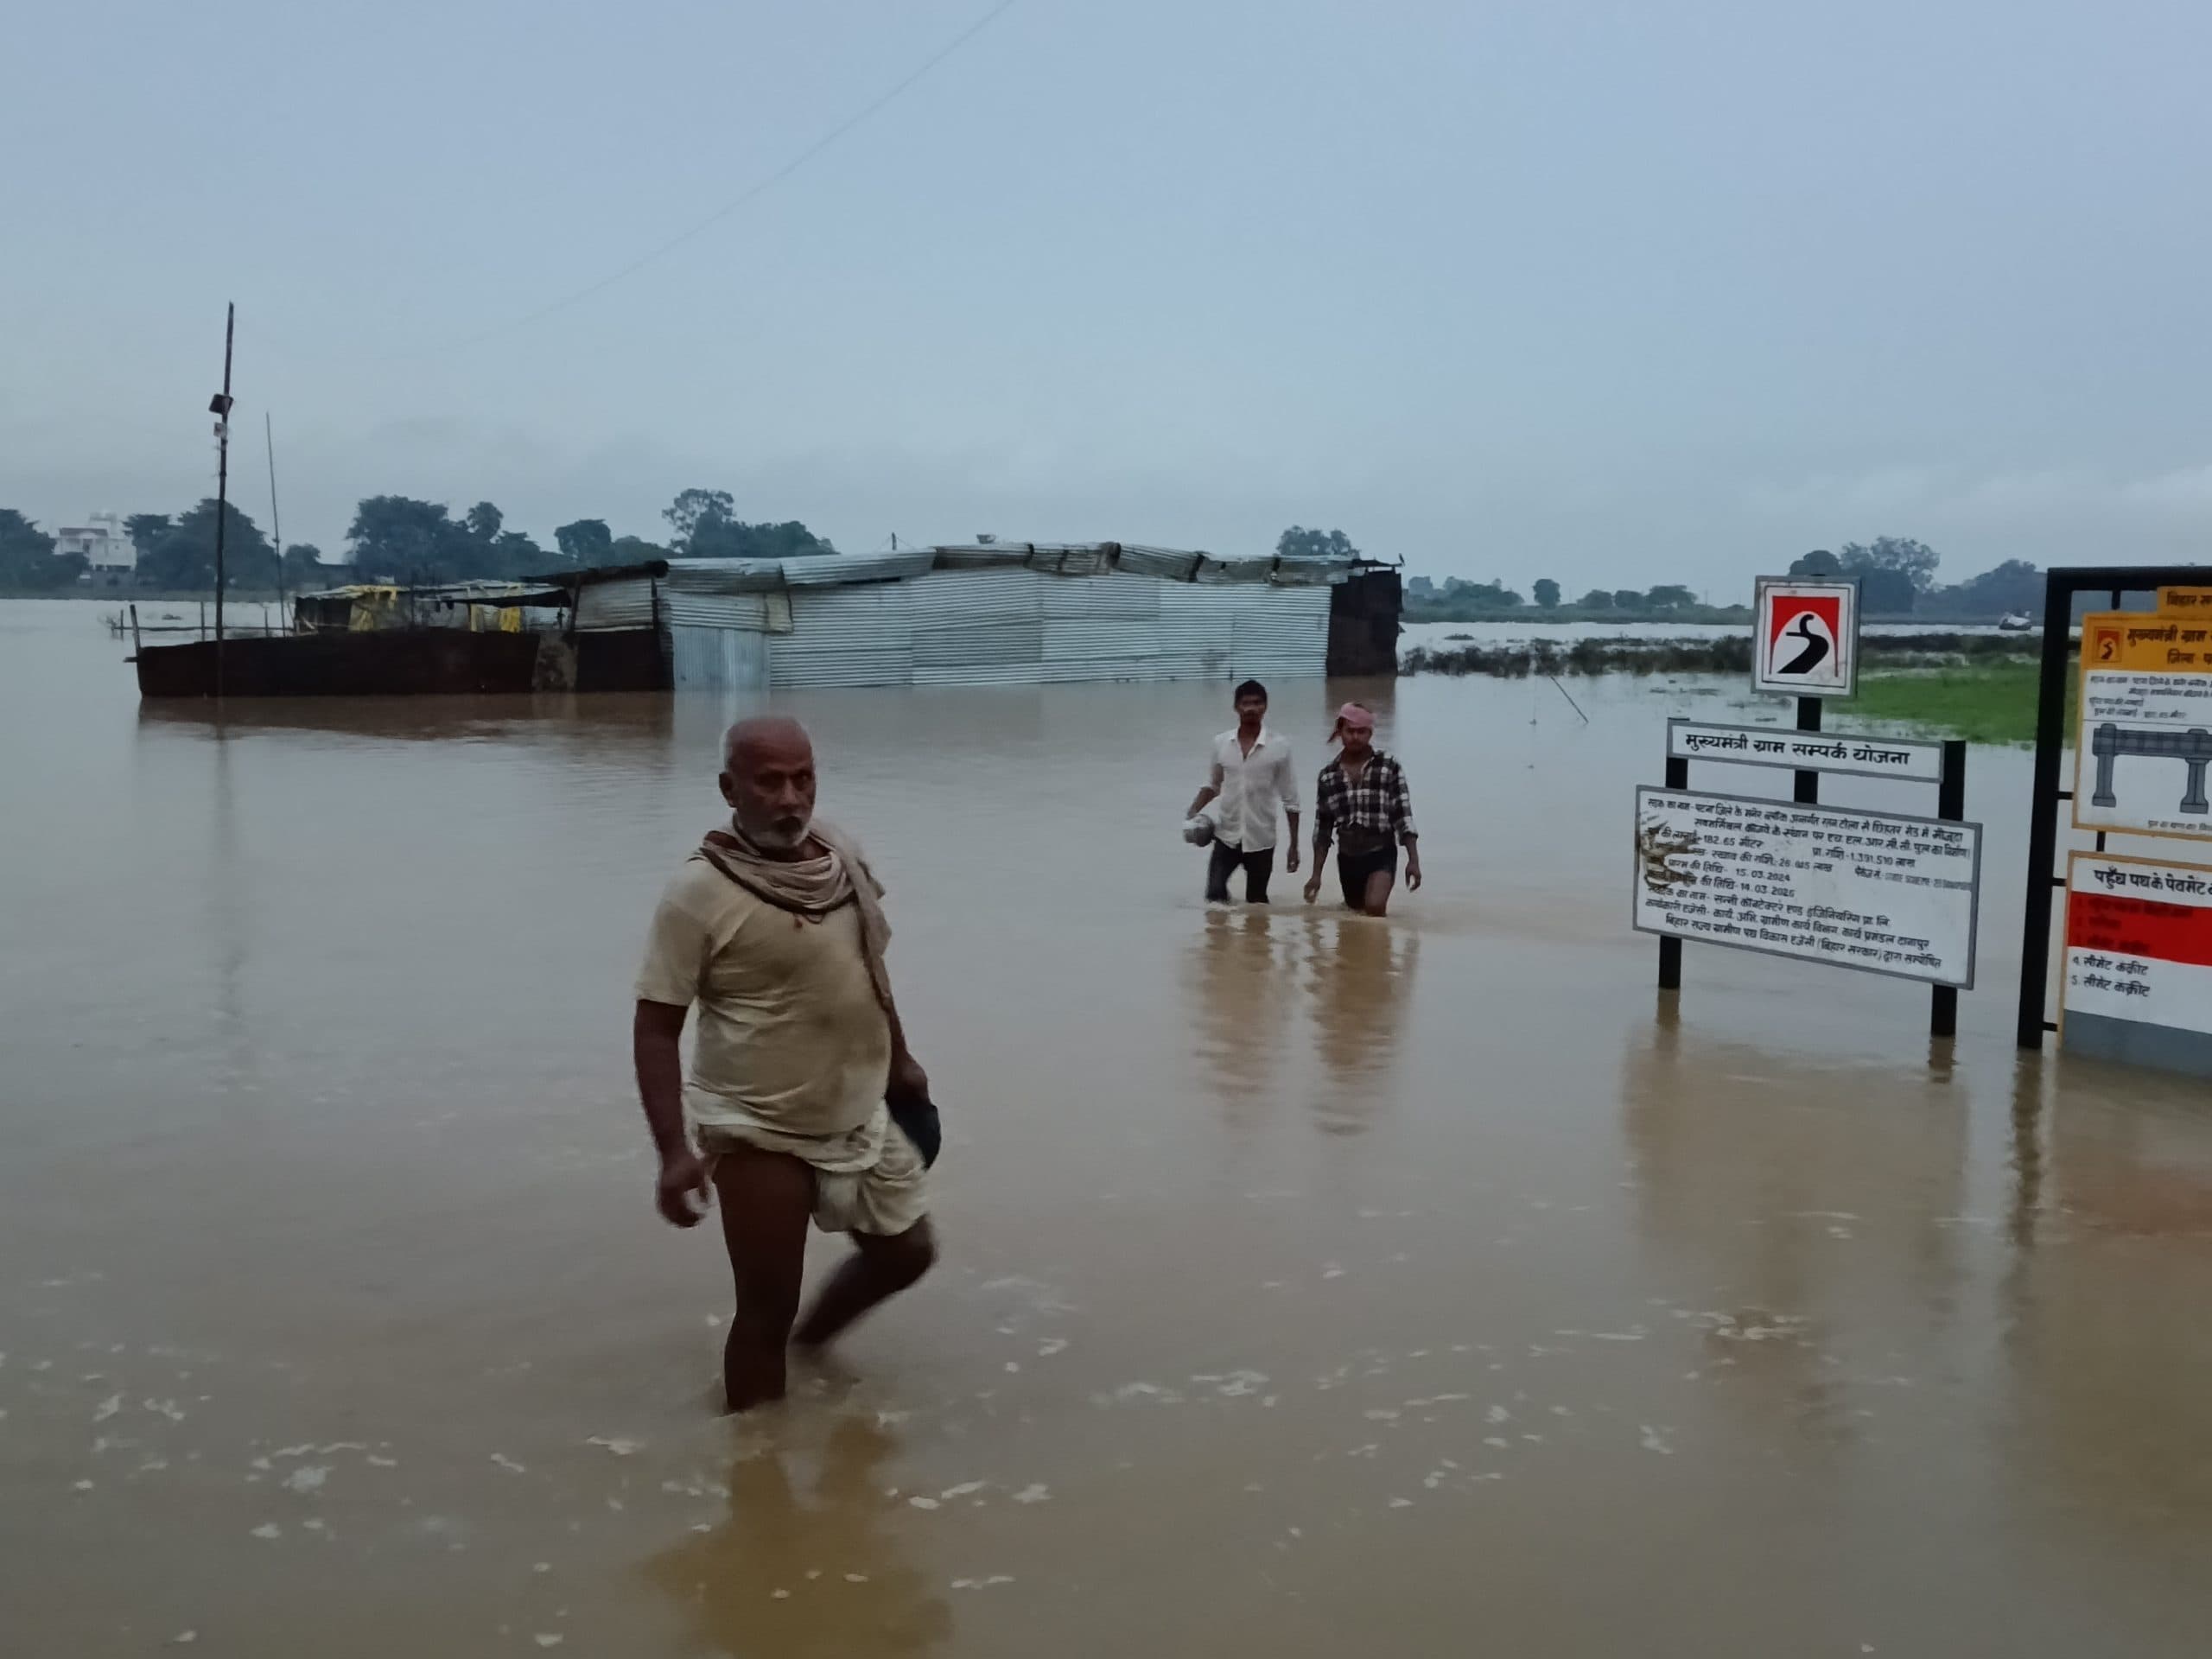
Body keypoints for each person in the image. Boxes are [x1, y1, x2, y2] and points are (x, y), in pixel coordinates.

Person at [632, 715, 937, 1413]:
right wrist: (673, 1152)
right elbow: (655, 1028)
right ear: (728, 789)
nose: (790, 798)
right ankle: (756, 1480)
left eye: (804, 779)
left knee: (908, 1254)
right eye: (769, 782)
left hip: (857, 1106)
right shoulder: (697, 893)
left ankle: (811, 1349)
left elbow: (867, 966)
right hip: (756, 1124)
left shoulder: (840, 854)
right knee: (764, 1309)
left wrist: (903, 1060)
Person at [1185, 679, 1300, 904]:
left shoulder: (1280, 746)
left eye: (1257, 703)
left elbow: (1291, 799)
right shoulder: (1221, 743)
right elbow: (1213, 785)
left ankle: (1255, 938)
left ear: (1265, 707)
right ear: (1236, 707)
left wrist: (1294, 846)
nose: (1251, 709)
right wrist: (1191, 812)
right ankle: (1222, 937)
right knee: (1214, 895)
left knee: (1257, 904)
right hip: (1226, 837)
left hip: (1262, 840)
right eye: (1245, 703)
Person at [1304, 702, 1422, 917]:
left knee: (1375, 908)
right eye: (1350, 731)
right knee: (1355, 915)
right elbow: (1323, 828)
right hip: (1348, 856)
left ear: (1370, 733)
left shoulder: (1388, 766)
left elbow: (1403, 815)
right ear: (1340, 732)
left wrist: (1413, 860)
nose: (1356, 737)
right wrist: (1316, 875)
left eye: (1362, 731)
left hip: (1381, 852)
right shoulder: (1328, 775)